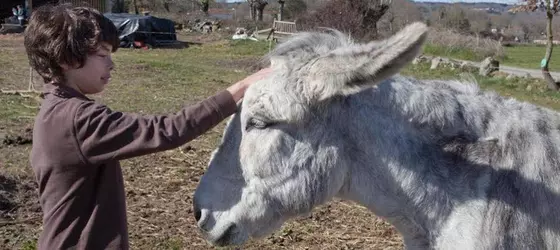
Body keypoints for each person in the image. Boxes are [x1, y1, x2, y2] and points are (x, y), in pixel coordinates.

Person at [24, 3, 271, 250]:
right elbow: (168, 130)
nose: (111, 64)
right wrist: (240, 89)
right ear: (67, 59)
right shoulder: (78, 119)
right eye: (102, 55)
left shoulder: (54, 110)